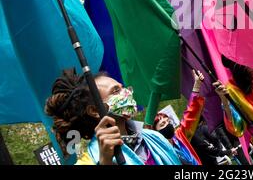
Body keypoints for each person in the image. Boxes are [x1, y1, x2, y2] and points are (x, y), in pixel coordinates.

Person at [45, 68, 180, 165]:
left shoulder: (154, 137)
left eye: (122, 87)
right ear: (95, 110)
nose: (126, 93)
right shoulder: (88, 161)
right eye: (116, 91)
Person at [153, 69, 205, 165]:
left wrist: (197, 85)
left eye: (168, 121)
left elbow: (190, 114)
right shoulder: (158, 153)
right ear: (155, 132)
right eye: (163, 124)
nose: (168, 125)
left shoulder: (180, 137)